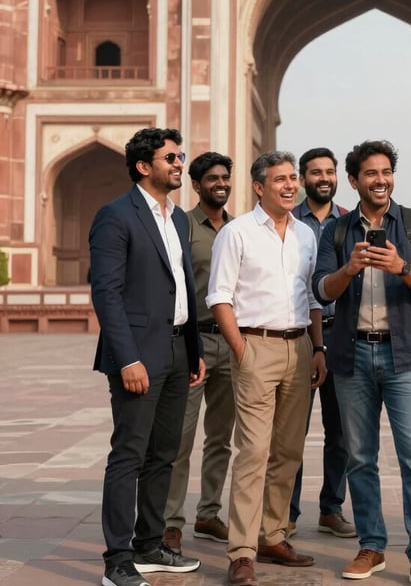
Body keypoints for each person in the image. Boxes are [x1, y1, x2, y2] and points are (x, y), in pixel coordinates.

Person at [312, 140, 411, 586]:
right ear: (354, 181)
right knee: (360, 457)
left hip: (403, 354)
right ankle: (371, 545)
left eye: (386, 171)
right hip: (352, 356)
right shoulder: (336, 231)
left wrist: (400, 267)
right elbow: (321, 290)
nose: (380, 180)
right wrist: (349, 268)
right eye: (370, 173)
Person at [89, 127, 205, 586]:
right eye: (171, 158)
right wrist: (127, 358)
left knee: (165, 453)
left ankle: (150, 546)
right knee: (129, 454)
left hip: (178, 349)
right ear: (144, 166)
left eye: (181, 156)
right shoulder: (116, 215)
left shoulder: (177, 219)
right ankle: (117, 559)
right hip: (138, 354)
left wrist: (193, 350)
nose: (180, 164)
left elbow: (182, 287)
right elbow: (107, 293)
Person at [207, 151, 327, 586]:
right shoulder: (237, 233)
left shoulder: (305, 236)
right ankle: (242, 550)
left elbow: (313, 297)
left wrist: (318, 347)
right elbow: (220, 296)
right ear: (260, 187)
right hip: (255, 346)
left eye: (293, 178)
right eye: (281, 180)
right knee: (254, 452)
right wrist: (242, 352)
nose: (291, 186)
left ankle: (274, 534)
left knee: (288, 451)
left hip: (298, 348)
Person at [163, 152, 236, 554]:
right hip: (194, 343)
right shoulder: (182, 226)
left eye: (225, 177)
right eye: (212, 178)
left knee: (221, 438)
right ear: (196, 185)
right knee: (180, 437)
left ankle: (208, 513)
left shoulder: (240, 228)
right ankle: (171, 521)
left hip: (232, 341)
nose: (220, 183)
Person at [289, 147, 355, 538]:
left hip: (339, 334)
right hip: (299, 337)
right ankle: (289, 510)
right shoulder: (287, 221)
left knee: (340, 431)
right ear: (302, 179)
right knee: (293, 430)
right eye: (316, 172)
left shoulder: (347, 222)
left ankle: (331, 508)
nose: (324, 178)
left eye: (330, 172)